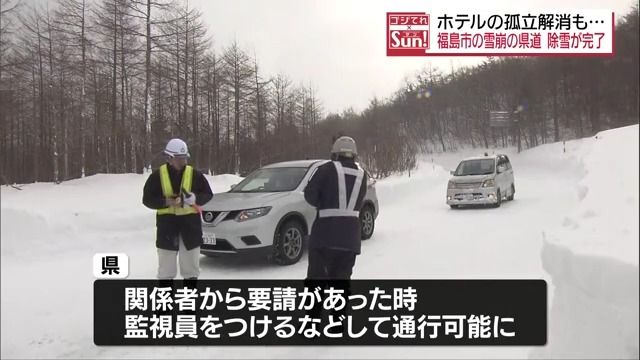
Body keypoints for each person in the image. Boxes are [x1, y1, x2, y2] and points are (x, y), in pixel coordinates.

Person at [303, 136, 368, 322]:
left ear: (335, 152)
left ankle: (312, 323)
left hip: (325, 235)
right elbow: (359, 200)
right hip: (350, 237)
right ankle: (337, 324)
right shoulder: (362, 175)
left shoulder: (325, 169)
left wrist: (324, 202)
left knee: (316, 280)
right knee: (341, 281)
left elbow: (310, 196)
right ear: (354, 154)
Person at [142, 138, 213, 281]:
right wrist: (165, 202)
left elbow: (208, 194)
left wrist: (195, 199)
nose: (184, 161)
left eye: (185, 157)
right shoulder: (157, 176)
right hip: (167, 229)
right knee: (166, 271)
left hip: (190, 228)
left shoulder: (195, 175)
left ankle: (189, 300)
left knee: (191, 271)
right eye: (180, 158)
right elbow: (147, 199)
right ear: (170, 158)